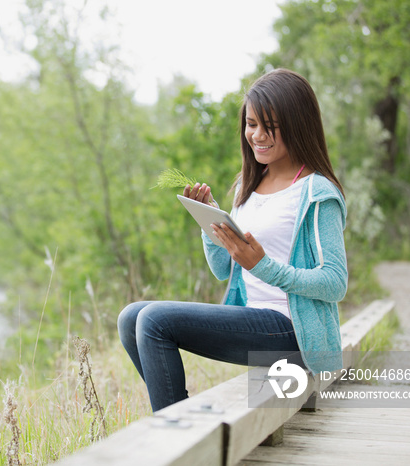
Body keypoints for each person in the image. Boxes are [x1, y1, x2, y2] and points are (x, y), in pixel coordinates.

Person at [117, 68, 347, 412]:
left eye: (271, 126)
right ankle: (181, 421)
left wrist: (264, 266)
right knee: (131, 317)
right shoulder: (248, 186)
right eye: (252, 123)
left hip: (293, 330)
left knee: (154, 321)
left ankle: (178, 435)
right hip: (252, 318)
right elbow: (223, 269)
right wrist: (209, 224)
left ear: (298, 123)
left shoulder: (316, 192)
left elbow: (335, 283)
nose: (257, 135)